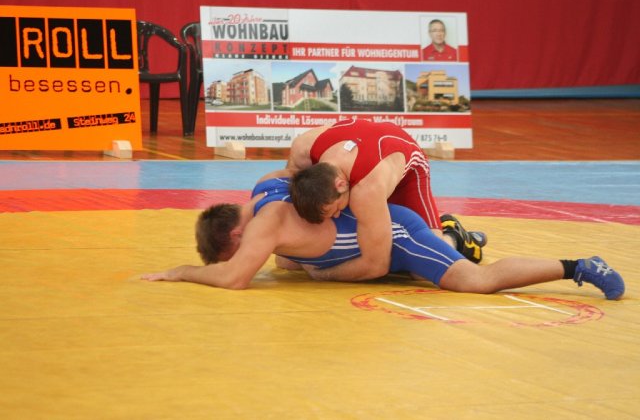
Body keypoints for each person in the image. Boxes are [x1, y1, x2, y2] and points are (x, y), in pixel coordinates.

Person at [140, 170, 625, 301]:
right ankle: (452, 236)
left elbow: (233, 278)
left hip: (394, 234)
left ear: (238, 231)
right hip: (374, 232)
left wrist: (181, 271)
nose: (247, 256)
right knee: (291, 263)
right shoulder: (266, 186)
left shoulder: (265, 224)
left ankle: (578, 266)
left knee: (473, 281)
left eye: (236, 250)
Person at [287, 118, 485, 283]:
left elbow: (376, 266)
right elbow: (289, 196)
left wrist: (323, 275)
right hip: (369, 154)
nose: (337, 215)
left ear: (340, 185)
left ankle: (453, 235)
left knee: (421, 271)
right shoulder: (303, 149)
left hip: (407, 167)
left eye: (336, 209)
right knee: (288, 261)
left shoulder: (367, 190)